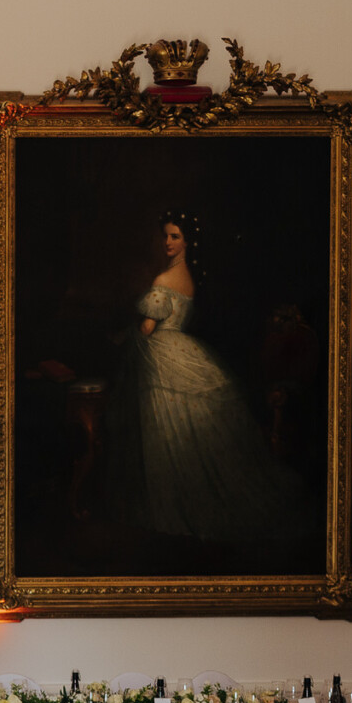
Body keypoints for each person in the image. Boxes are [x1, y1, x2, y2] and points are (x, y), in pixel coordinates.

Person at [110, 214, 309, 550]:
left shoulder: (163, 278)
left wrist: (126, 334)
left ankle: (171, 511)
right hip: (184, 350)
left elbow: (147, 328)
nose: (167, 242)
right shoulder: (188, 278)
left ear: (187, 242)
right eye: (166, 236)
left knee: (164, 431)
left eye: (174, 236)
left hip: (162, 356)